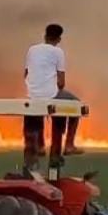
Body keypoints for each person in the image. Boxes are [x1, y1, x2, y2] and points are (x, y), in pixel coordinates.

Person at [23, 24, 84, 168]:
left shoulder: (32, 50)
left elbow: (26, 74)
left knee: (36, 112)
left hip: (32, 93)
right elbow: (61, 82)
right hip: (50, 94)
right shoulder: (58, 52)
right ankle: (69, 145)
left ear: (45, 36)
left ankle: (39, 146)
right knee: (76, 104)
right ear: (59, 39)